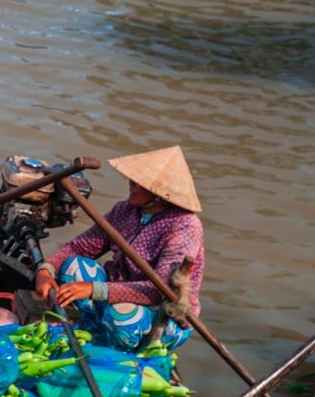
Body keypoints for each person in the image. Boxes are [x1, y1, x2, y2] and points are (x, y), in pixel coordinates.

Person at [38, 146, 204, 352]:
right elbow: (80, 247)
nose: (131, 185)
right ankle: (94, 328)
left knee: (121, 317)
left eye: (138, 184)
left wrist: (93, 289)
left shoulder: (184, 226)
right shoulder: (125, 210)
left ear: (159, 194)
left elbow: (161, 290)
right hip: (114, 293)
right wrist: (46, 269)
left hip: (160, 313)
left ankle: (120, 352)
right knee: (73, 266)